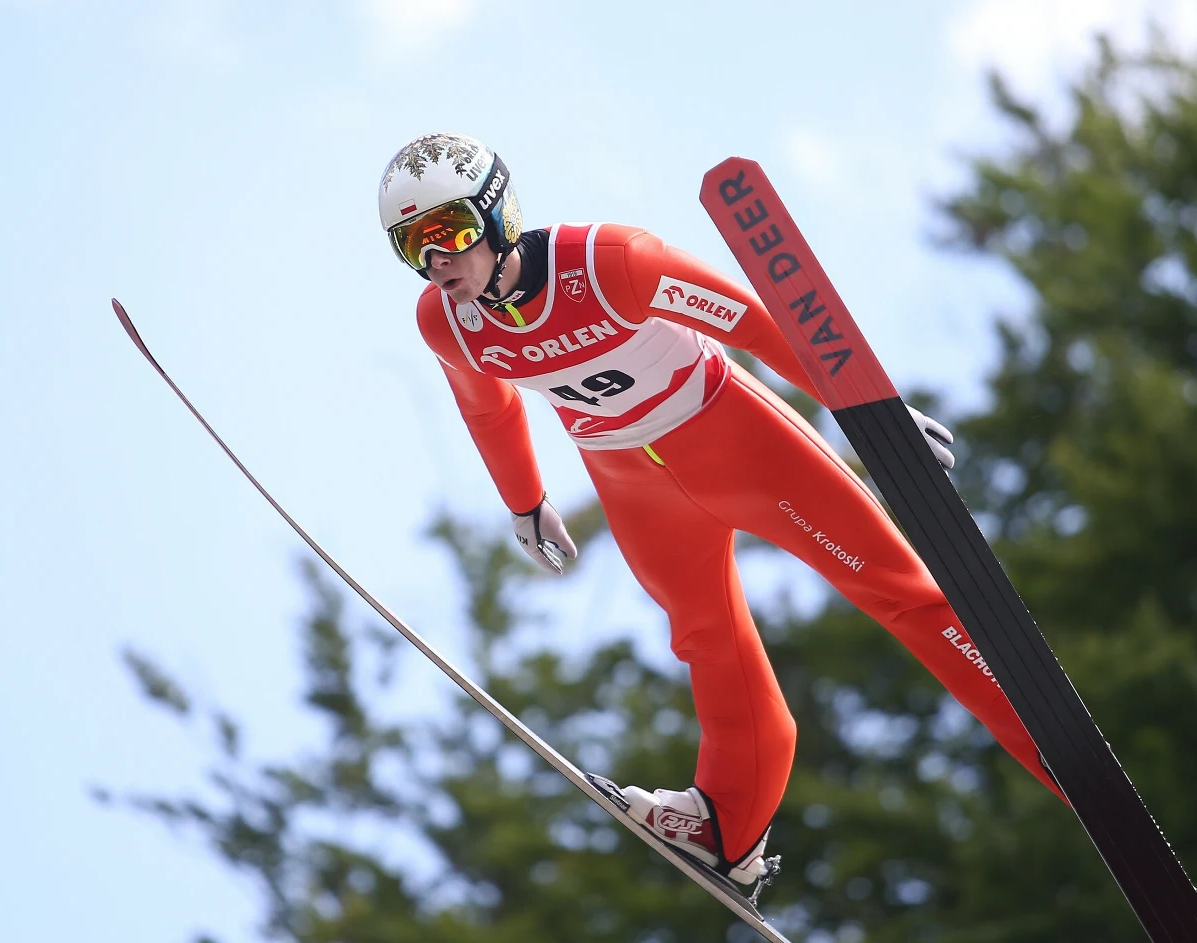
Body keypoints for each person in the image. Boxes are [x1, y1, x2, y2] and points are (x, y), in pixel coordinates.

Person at [378, 132, 1064, 886]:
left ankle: (1049, 742)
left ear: (497, 213)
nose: (436, 260)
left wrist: (872, 413)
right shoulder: (447, 322)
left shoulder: (613, 262)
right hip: (631, 482)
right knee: (707, 639)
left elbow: (758, 325)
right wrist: (525, 502)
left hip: (734, 441)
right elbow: (489, 407)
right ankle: (728, 826)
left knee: (897, 589)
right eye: (412, 244)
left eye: (449, 231)